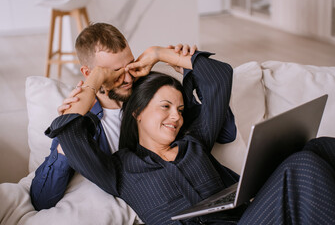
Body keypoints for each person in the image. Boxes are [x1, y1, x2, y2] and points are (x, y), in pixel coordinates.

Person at [45, 46, 335, 224]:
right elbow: (70, 132)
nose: (176, 117)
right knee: (303, 166)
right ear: (137, 112)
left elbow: (220, 78)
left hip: (252, 216)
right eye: (166, 106)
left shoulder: (194, 142)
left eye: (181, 109)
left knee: (328, 147)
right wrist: (96, 78)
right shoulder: (118, 169)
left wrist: (160, 54)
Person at [30, 23, 237, 210]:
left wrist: (160, 54)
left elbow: (225, 131)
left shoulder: (151, 95)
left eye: (129, 65)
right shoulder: (82, 123)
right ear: (89, 72)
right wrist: (73, 117)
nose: (128, 78)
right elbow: (42, 199)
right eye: (115, 72)